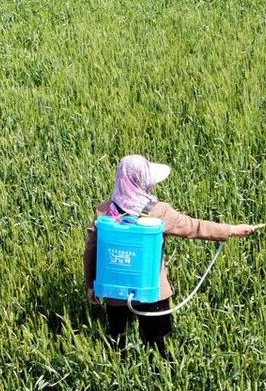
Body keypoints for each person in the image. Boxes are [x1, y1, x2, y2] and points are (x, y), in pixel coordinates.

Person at [83, 154, 255, 361]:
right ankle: (161, 374)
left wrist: (91, 285)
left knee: (117, 339)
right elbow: (194, 227)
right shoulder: (158, 212)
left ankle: (120, 371)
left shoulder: (104, 212)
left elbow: (90, 251)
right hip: (153, 291)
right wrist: (231, 230)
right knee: (158, 343)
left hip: (114, 291)